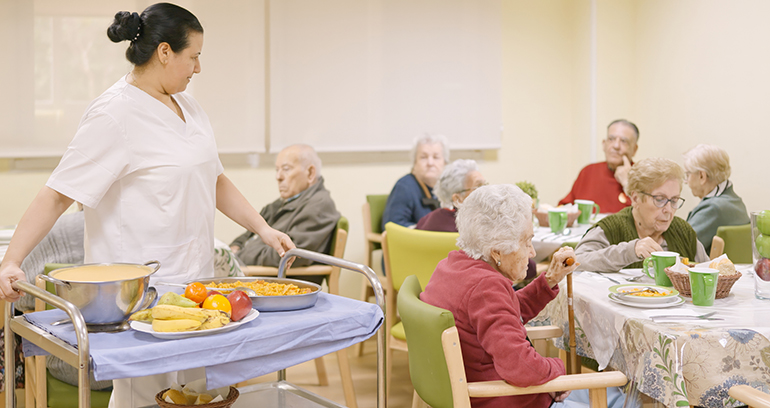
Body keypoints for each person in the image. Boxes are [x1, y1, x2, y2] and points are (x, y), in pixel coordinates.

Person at [0, 4, 294, 407]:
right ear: (165, 52)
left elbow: (216, 180)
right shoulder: (114, 114)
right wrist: (12, 260)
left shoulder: (189, 106)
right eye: (194, 57)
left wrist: (264, 228)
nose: (198, 68)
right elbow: (57, 193)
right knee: (144, 397)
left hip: (195, 286)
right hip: (140, 298)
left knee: (195, 395)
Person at [420, 184, 631, 408]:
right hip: (510, 400)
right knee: (627, 396)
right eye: (526, 242)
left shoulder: (453, 266)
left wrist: (549, 279)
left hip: (486, 390)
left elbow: (503, 312)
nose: (531, 253)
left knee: (619, 396)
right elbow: (521, 367)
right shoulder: (486, 287)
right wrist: (557, 368)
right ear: (497, 252)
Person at [575, 158, 709, 272]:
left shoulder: (683, 232)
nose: (668, 209)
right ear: (635, 198)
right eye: (660, 199)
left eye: (674, 200)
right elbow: (576, 262)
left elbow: (708, 270)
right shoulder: (612, 227)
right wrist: (629, 251)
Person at [230, 144, 340, 283]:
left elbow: (290, 255)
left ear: (310, 173)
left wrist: (238, 255)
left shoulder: (319, 205)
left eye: (286, 169)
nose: (278, 176)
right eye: (277, 170)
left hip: (280, 285)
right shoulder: (282, 203)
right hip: (254, 275)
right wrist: (234, 249)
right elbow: (248, 234)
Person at [416, 161, 537, 282]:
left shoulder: (424, 221)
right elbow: (528, 268)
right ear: (458, 198)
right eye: (478, 187)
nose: (486, 191)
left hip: (433, 291)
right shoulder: (476, 230)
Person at [559, 119, 639, 213]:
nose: (616, 146)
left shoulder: (642, 176)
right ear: (604, 144)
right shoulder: (588, 171)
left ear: (634, 149)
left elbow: (644, 217)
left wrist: (627, 183)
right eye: (611, 139)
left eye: (624, 141)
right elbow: (565, 207)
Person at [682, 144, 750, 254]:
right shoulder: (737, 203)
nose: (686, 181)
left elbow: (681, 248)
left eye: (687, 174)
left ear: (702, 176)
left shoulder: (712, 209)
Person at [381, 134, 448, 228]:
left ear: (445, 163)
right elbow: (391, 225)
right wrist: (422, 231)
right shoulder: (404, 187)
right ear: (414, 163)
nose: (430, 163)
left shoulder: (449, 187)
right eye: (423, 157)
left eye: (436, 157)